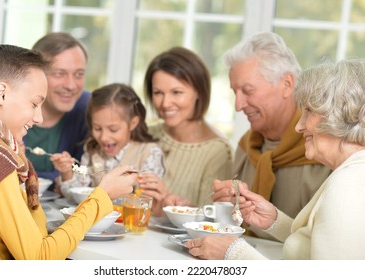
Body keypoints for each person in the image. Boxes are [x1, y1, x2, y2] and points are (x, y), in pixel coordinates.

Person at [185, 58, 365, 260]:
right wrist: (274, 221)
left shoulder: (347, 186)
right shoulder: (353, 175)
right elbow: (318, 248)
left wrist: (233, 253)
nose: (299, 126)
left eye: (309, 111)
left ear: (340, 113)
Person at [0, 44, 137, 259]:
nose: (39, 117)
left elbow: (36, 234)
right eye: (34, 104)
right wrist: (103, 196)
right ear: (2, 94)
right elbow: (40, 257)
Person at [210, 32, 331, 239]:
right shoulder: (246, 146)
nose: (238, 106)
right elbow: (234, 230)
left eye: (247, 91)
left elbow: (324, 245)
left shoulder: (324, 153)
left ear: (287, 84)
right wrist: (226, 206)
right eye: (235, 92)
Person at [52, 83, 166, 215]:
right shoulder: (92, 152)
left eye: (113, 129)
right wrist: (66, 172)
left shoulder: (149, 153)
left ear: (133, 123)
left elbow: (148, 202)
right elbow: (76, 194)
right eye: (98, 129)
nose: (104, 137)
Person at [142, 46, 233, 208]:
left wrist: (167, 207)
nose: (165, 103)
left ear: (198, 91)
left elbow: (210, 220)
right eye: (158, 93)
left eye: (176, 92)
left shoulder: (218, 151)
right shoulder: (146, 134)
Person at [24, 32, 90, 186]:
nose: (71, 85)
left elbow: (87, 175)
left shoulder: (89, 111)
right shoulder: (11, 111)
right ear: (36, 74)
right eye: (60, 74)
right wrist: (57, 179)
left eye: (79, 74)